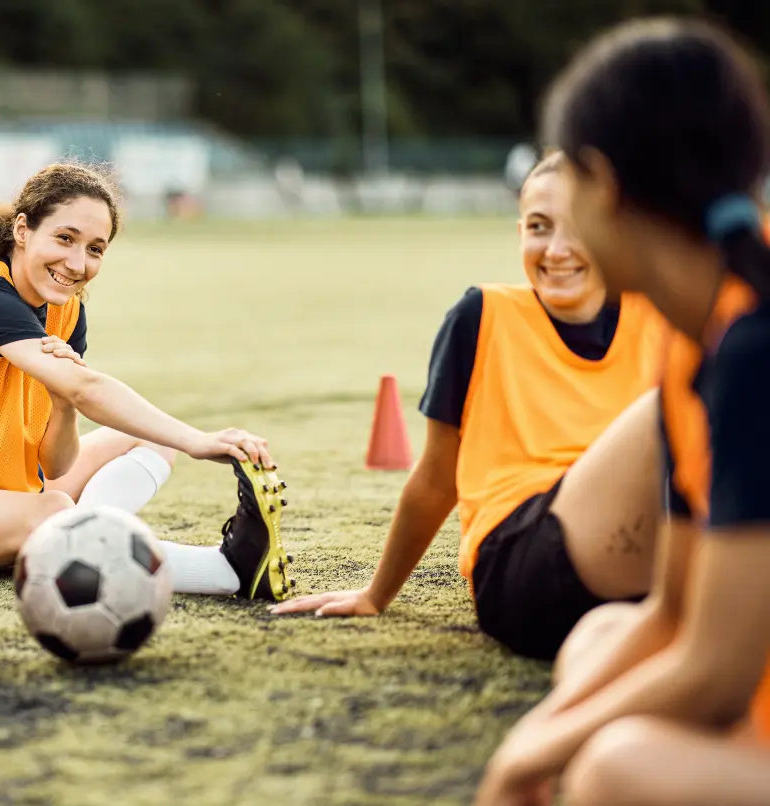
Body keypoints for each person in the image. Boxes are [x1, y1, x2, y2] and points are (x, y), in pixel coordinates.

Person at [475, 18, 770, 806]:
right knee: (604, 633)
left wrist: (531, 758)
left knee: (614, 766)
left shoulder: (752, 349)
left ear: (602, 185)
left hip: (744, 685)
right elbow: (670, 610)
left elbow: (715, 670)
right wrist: (540, 739)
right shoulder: (687, 339)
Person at [270, 150, 667, 662]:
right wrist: (376, 595)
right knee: (688, 400)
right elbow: (437, 479)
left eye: (580, 227)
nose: (558, 249)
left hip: (633, 563)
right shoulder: (482, 315)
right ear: (520, 231)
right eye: (539, 227)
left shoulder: (655, 317)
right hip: (520, 565)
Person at [0, 162, 295, 602]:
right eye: (65, 238)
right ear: (22, 230)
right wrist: (200, 441)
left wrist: (62, 406)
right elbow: (89, 389)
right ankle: (225, 571)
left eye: (95, 249)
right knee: (55, 514)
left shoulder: (65, 309)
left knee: (147, 441)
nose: (77, 263)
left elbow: (54, 467)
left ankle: (80, 539)